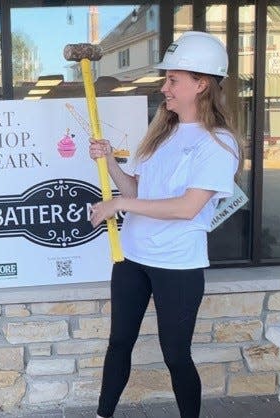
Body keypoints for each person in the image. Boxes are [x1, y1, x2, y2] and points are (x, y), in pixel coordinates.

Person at [88, 31, 241, 418]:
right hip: (133, 258)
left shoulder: (218, 143)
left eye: (173, 80)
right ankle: (102, 414)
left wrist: (119, 204)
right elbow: (137, 187)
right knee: (119, 342)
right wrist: (110, 164)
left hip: (178, 265)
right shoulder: (163, 131)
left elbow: (189, 207)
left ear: (201, 83)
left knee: (175, 354)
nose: (164, 87)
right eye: (166, 79)